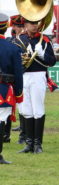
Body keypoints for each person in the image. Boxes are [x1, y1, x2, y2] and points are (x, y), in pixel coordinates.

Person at [15, 19, 56, 154]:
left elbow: (52, 61)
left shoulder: (44, 40)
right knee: (26, 109)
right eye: (31, 23)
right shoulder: (19, 39)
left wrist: (42, 54)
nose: (34, 25)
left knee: (38, 109)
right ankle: (29, 143)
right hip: (23, 76)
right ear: (25, 25)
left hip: (38, 75)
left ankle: (38, 144)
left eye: (35, 23)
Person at [0, 13, 23, 164]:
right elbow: (18, 75)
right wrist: (19, 93)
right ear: (7, 26)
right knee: (0, 121)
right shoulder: (13, 49)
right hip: (3, 90)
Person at [4, 15, 26, 145]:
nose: (21, 28)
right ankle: (7, 133)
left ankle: (25, 131)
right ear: (13, 26)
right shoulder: (10, 41)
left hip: (24, 76)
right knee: (8, 107)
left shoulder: (25, 41)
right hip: (11, 78)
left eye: (22, 26)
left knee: (24, 106)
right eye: (18, 26)